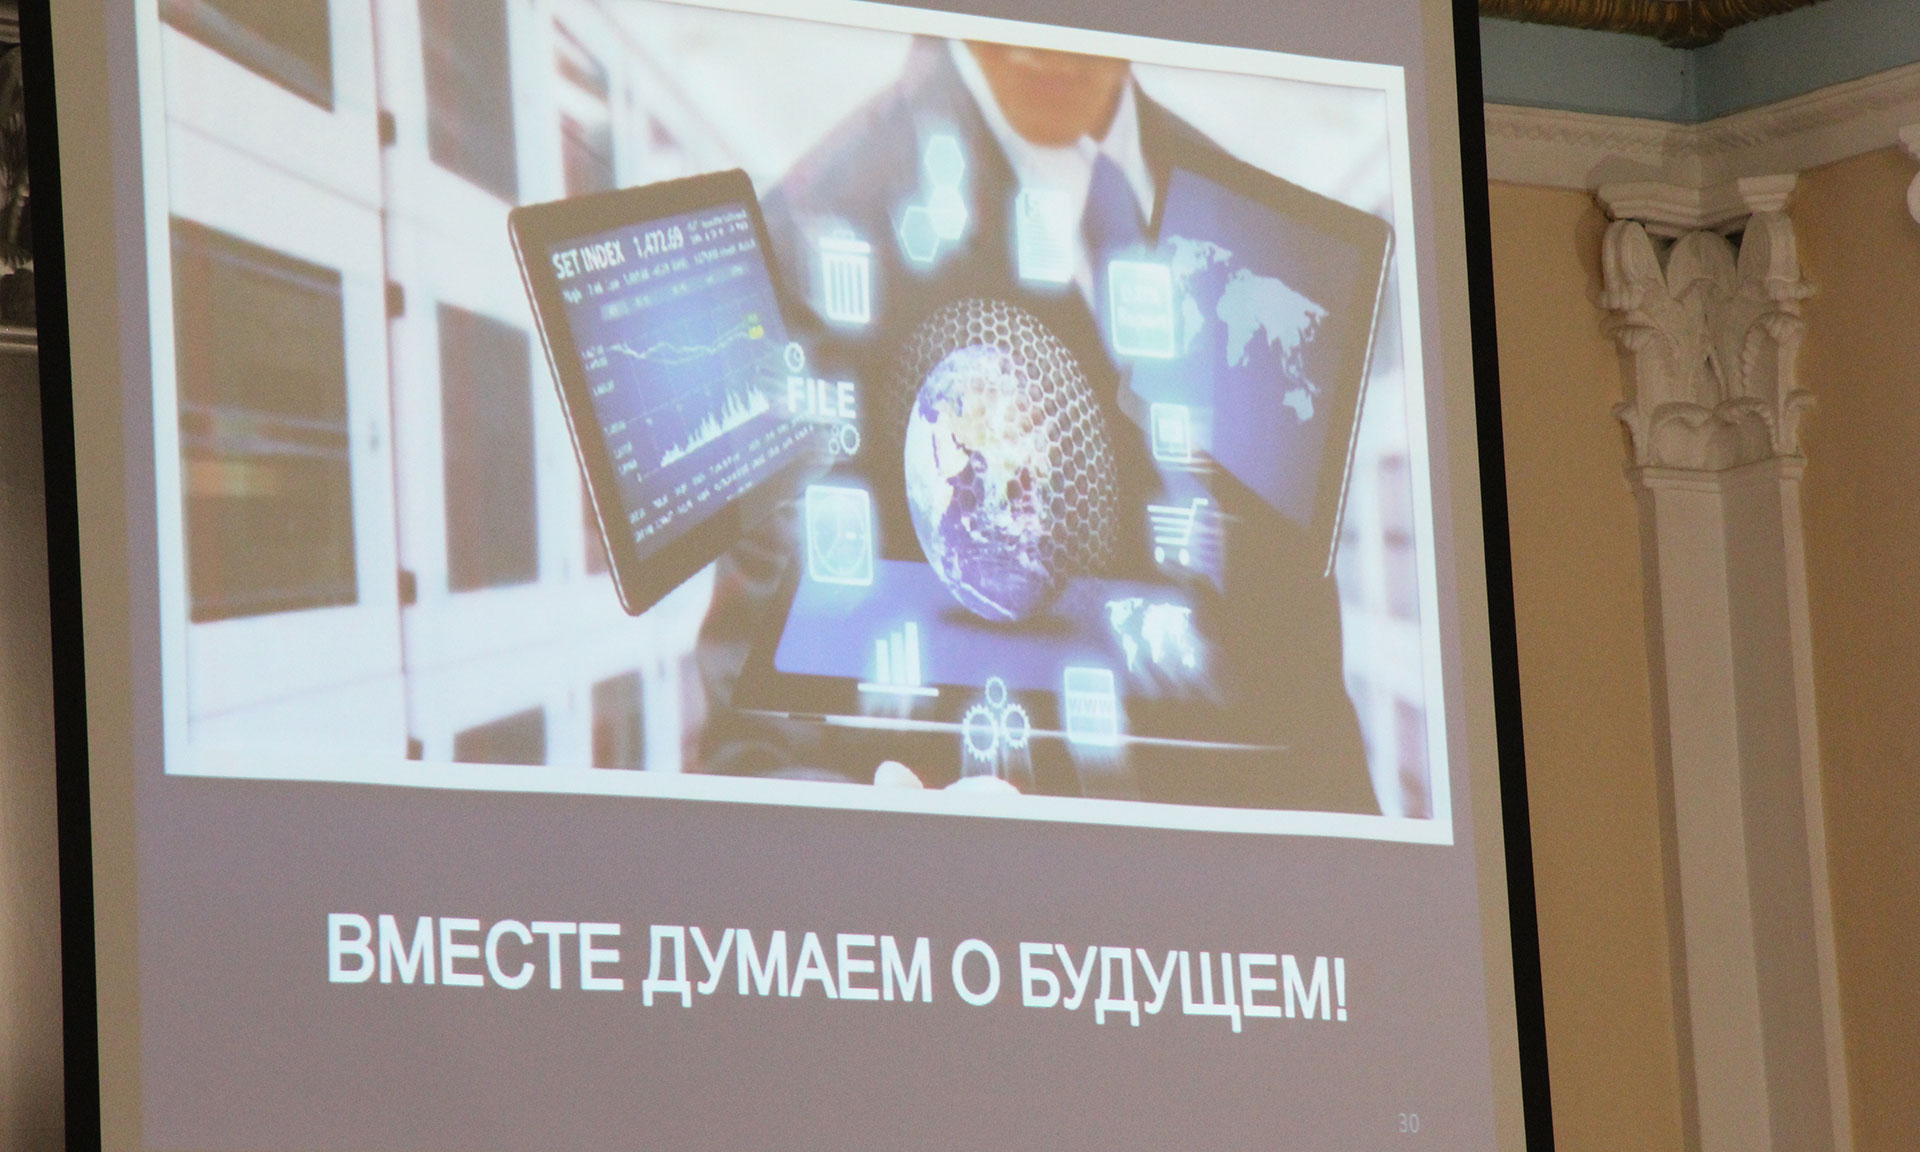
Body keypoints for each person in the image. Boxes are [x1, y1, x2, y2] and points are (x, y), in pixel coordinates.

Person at [696, 37, 1379, 814]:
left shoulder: (1266, 238)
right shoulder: (806, 233)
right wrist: (883, 836)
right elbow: (755, 747)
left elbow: (1304, 696)